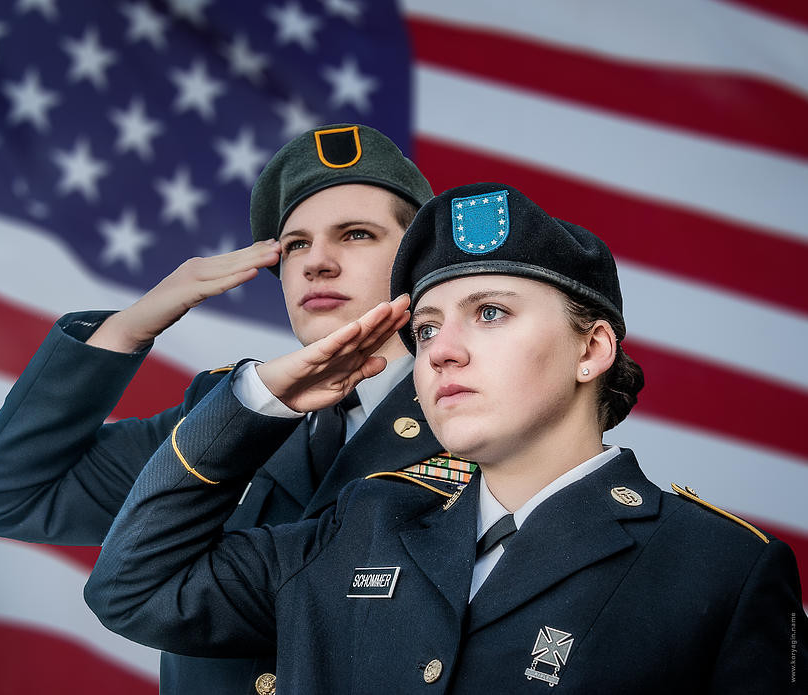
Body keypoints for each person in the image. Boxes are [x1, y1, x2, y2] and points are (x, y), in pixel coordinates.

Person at [84, 182, 807, 694]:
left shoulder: (719, 566)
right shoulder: (360, 524)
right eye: (426, 327)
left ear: (592, 350)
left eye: (489, 312)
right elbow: (135, 587)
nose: (440, 351)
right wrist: (256, 402)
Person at [0, 124, 461, 693]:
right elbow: (9, 495)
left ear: (421, 260)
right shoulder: (228, 412)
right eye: (295, 244)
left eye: (356, 235)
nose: (316, 262)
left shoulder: (487, 413)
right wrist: (134, 323)